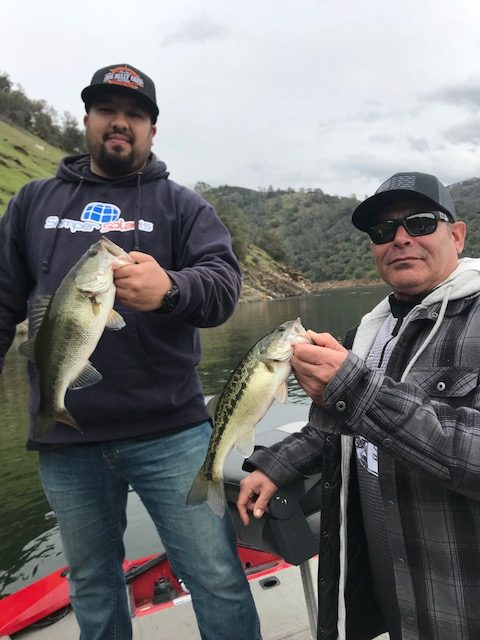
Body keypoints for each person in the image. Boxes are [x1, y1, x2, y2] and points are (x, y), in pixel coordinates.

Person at [0, 64, 261, 640]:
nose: (120, 123)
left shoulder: (183, 206)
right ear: (87, 119)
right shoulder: (32, 202)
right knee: (92, 582)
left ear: (152, 129)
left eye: (135, 115)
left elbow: (221, 288)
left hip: (171, 431)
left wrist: (171, 290)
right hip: (65, 438)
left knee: (216, 574)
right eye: (107, 111)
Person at [237, 171, 480, 640]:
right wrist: (276, 463)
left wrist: (358, 387)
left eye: (421, 223)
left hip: (457, 600)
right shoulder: (370, 331)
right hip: (387, 584)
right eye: (383, 232)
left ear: (457, 234)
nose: (401, 239)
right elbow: (343, 422)